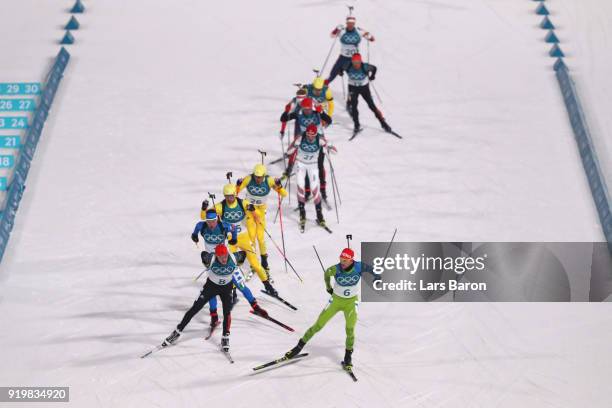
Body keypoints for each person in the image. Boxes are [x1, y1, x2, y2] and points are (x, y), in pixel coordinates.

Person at [284, 247, 380, 369]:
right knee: (318, 325)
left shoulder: (359, 266)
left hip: (351, 303)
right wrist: (328, 287)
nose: (342, 263)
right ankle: (298, 347)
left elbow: (371, 269)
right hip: (335, 301)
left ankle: (348, 357)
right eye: (341, 259)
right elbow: (326, 274)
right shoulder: (335, 269)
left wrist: (377, 277)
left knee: (350, 329)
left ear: (351, 260)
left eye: (345, 260)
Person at [163, 244, 267, 352]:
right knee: (195, 309)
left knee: (227, 312)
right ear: (216, 255)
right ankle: (177, 332)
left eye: (225, 256)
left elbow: (243, 254)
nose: (224, 259)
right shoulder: (211, 258)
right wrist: (207, 260)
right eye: (221, 256)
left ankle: (225, 337)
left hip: (226, 289)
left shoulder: (234, 257)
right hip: (211, 287)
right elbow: (203, 254)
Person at [202, 183, 279, 296]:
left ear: (235, 194)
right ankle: (232, 291)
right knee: (231, 266)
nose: (229, 198)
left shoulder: (243, 203)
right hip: (230, 240)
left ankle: (268, 286)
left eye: (231, 196)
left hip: (244, 237)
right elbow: (205, 217)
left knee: (256, 264)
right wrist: (204, 208)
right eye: (227, 196)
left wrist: (253, 210)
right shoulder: (220, 206)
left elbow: (258, 215)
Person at [284, 124, 337, 232]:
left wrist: (329, 147)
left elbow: (335, 152)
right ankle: (302, 214)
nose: (310, 137)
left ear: (316, 134)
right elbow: (288, 152)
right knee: (300, 188)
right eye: (308, 134)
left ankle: (320, 217)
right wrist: (295, 145)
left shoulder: (320, 139)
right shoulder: (301, 137)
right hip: (301, 166)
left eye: (312, 135)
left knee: (314, 190)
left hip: (313, 166)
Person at [236, 164, 288, 273]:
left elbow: (284, 194)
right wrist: (238, 185)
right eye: (256, 176)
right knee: (251, 236)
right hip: (250, 209)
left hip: (260, 211)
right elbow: (235, 193)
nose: (257, 179)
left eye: (259, 177)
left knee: (260, 237)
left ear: (264, 175)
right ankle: (253, 261)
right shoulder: (249, 179)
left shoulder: (269, 181)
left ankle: (264, 261)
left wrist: (279, 186)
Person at [340, 53, 394, 136]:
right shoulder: (348, 65)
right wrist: (340, 72)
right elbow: (341, 67)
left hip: (364, 88)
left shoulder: (365, 66)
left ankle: (384, 124)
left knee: (372, 106)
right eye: (354, 62)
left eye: (357, 62)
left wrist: (373, 76)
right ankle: (356, 125)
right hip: (353, 87)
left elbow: (374, 68)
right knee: (354, 107)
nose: (356, 64)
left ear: (360, 61)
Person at [326, 15, 374, 85]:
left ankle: (366, 90)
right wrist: (336, 29)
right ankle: (322, 88)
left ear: (354, 23)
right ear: (346, 23)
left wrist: (369, 35)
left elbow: (372, 39)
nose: (350, 25)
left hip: (355, 59)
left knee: (361, 74)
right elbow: (332, 36)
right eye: (349, 23)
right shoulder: (342, 31)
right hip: (343, 57)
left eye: (352, 23)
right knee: (333, 73)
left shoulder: (359, 31)